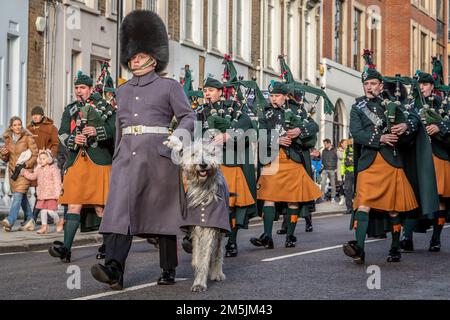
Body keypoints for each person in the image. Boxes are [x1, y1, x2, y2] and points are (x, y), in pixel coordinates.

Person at [90, 10, 195, 290]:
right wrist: (118, 156)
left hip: (158, 158)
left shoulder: (169, 86)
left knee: (162, 216)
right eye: (132, 55)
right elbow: (120, 128)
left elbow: (188, 117)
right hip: (127, 159)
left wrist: (180, 138)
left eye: (140, 55)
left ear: (153, 56)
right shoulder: (122, 91)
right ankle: (114, 269)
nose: (135, 59)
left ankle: (168, 268)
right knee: (117, 215)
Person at [343, 62, 438, 264]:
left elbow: (415, 120)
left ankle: (395, 247)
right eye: (366, 83)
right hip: (369, 163)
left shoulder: (395, 102)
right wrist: (380, 139)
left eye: (373, 83)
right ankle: (359, 248)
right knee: (363, 205)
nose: (369, 87)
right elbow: (357, 133)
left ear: (380, 85)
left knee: (393, 208)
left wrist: (405, 125)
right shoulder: (357, 107)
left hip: (392, 162)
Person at [48, 70, 116, 263]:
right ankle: (66, 249)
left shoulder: (105, 106)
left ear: (90, 89)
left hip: (99, 161)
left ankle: (107, 246)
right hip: (76, 161)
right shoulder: (70, 109)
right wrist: (72, 139)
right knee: (73, 205)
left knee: (100, 208)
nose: (79, 91)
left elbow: (115, 129)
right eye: (77, 88)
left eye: (82, 88)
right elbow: (61, 133)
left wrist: (97, 130)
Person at [250, 82, 322, 249]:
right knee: (268, 198)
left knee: (293, 199)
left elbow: (314, 126)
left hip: (292, 160)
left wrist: (299, 131)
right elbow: (259, 135)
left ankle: (290, 235)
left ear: (285, 96)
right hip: (273, 160)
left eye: (276, 96)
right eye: (271, 96)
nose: (273, 99)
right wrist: (276, 139)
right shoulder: (266, 114)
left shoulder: (297, 110)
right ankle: (267, 235)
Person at [194, 77, 257, 258]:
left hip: (230, 162)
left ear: (220, 92)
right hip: (208, 165)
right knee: (205, 203)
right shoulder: (200, 112)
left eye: (211, 90)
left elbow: (247, 126)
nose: (207, 94)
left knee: (232, 205)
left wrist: (228, 135)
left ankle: (232, 241)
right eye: (205, 91)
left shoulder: (235, 108)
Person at [400, 72, 450, 252]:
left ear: (432, 86)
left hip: (438, 154)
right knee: (413, 193)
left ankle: (436, 238)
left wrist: (439, 126)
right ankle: (407, 237)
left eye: (426, 84)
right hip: (415, 154)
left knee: (440, 198)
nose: (422, 87)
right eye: (419, 84)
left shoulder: (441, 103)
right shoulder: (408, 104)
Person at [0, 117, 38, 232]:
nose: (18, 127)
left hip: (25, 172)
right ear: (11, 127)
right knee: (22, 197)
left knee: (17, 196)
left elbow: (35, 155)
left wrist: (26, 165)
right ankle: (30, 219)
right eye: (15, 125)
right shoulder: (8, 140)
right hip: (14, 173)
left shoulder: (27, 138)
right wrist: (2, 154)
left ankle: (10, 220)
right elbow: (7, 159)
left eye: (19, 124)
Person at [26, 106, 59, 224]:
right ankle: (36, 217)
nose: (35, 116)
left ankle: (33, 218)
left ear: (42, 115)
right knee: (34, 191)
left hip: (45, 164)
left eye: (37, 114)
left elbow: (55, 144)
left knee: (41, 191)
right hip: (32, 163)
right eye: (33, 115)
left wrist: (49, 156)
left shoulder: (51, 128)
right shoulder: (28, 129)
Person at [21, 149, 62, 234]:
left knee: (51, 211)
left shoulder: (54, 169)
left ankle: (58, 221)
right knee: (43, 211)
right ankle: (44, 227)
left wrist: (58, 195)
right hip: (42, 194)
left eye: (44, 159)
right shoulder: (39, 169)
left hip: (51, 195)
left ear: (49, 159)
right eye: (41, 159)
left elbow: (57, 182)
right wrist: (24, 172)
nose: (42, 161)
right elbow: (33, 176)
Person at [341, 138, 355, 215]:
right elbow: (343, 163)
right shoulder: (346, 151)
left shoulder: (358, 150)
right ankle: (349, 208)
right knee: (348, 191)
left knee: (356, 191)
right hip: (348, 173)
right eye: (349, 141)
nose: (350, 142)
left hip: (356, 172)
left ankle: (357, 207)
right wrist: (342, 173)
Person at [336, 139, 347, 205]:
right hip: (341, 170)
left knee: (347, 184)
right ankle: (342, 198)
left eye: (346, 143)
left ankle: (348, 198)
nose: (346, 144)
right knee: (341, 184)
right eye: (345, 143)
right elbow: (342, 157)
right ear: (341, 144)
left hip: (346, 169)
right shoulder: (338, 151)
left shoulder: (348, 150)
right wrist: (346, 152)